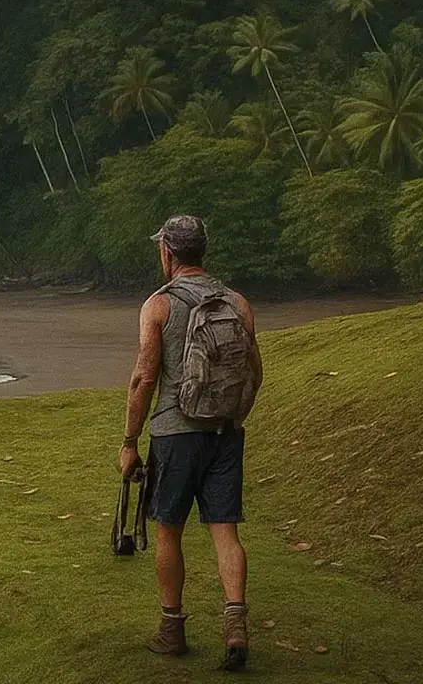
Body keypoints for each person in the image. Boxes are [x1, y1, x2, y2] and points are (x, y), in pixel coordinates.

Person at [118, 215, 263, 673]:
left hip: (175, 435)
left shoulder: (157, 306)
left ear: (167, 253)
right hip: (226, 434)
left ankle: (171, 629)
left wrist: (129, 441)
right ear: (203, 250)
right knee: (225, 531)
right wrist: (232, 416)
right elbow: (254, 372)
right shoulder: (237, 303)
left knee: (168, 530)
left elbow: (143, 377)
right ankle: (235, 623)